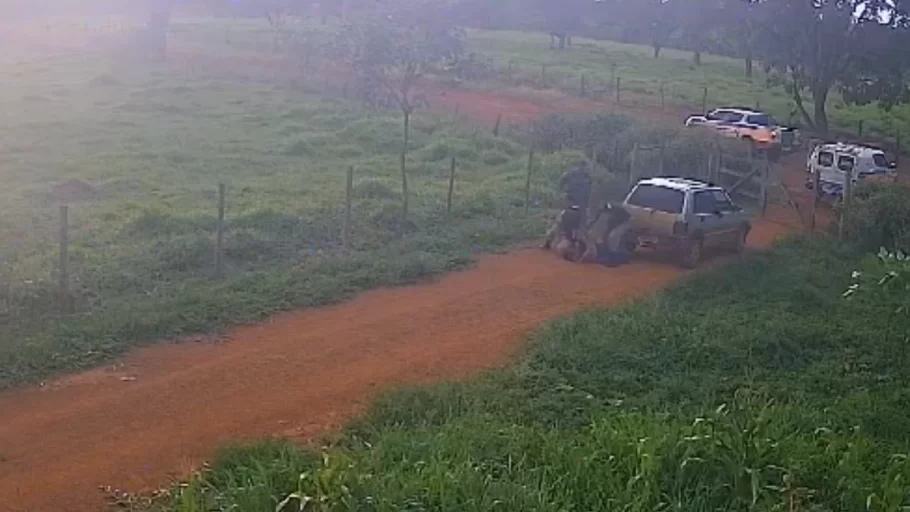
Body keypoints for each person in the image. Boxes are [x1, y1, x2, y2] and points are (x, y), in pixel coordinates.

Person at [583, 202, 634, 266]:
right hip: (616, 223)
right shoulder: (603, 210)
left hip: (626, 222)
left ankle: (615, 256)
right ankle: (608, 254)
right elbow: (596, 218)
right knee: (605, 237)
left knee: (613, 236)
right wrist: (589, 225)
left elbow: (624, 219)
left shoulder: (616, 210)